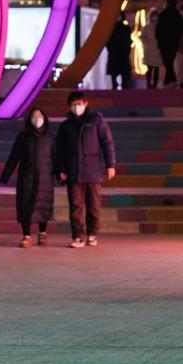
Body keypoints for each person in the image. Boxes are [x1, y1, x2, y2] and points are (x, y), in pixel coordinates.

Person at [55, 91, 116, 248]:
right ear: (69, 106)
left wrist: (111, 165)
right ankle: (77, 236)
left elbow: (107, 143)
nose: (77, 107)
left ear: (86, 104)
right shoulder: (65, 126)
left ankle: (92, 234)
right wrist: (61, 168)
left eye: (79, 104)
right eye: (74, 104)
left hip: (93, 171)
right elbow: (59, 150)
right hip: (73, 171)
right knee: (75, 206)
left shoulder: (97, 121)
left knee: (94, 206)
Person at [0, 108, 55, 248]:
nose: (37, 119)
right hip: (26, 177)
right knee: (25, 205)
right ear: (29, 119)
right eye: (34, 116)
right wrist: (6, 175)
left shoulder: (50, 137)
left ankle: (43, 233)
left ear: (44, 118)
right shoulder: (23, 137)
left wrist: (61, 172)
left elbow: (57, 158)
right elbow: (14, 157)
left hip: (45, 177)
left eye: (39, 116)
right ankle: (27, 235)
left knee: (43, 204)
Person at [156, 0, 183, 87]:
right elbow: (182, 28)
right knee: (170, 60)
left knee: (167, 61)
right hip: (173, 41)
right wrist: (176, 35)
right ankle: (170, 80)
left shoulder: (163, 15)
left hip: (163, 42)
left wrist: (159, 40)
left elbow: (158, 29)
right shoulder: (177, 15)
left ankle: (169, 80)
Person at [106, 12, 133, 90]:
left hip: (118, 52)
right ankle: (120, 84)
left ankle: (119, 84)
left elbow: (128, 40)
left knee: (117, 71)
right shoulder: (123, 28)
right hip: (119, 52)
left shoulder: (121, 28)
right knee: (119, 71)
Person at [140, 9, 163, 89]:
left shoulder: (160, 27)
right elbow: (142, 37)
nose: (155, 18)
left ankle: (155, 84)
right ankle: (148, 83)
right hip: (149, 50)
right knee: (149, 68)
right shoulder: (146, 27)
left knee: (156, 68)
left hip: (157, 49)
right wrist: (147, 42)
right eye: (153, 16)